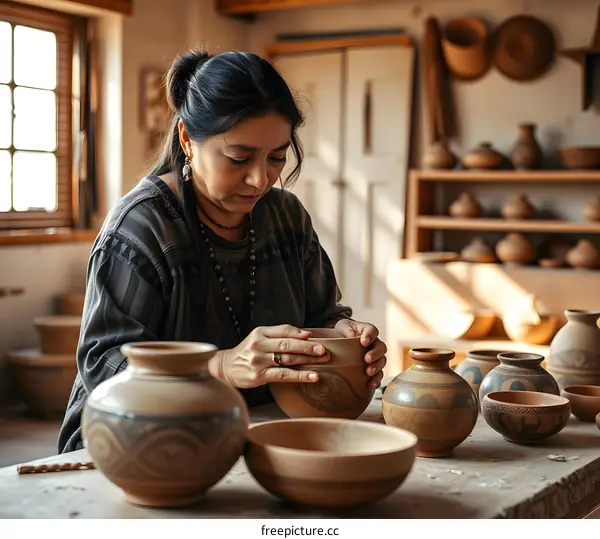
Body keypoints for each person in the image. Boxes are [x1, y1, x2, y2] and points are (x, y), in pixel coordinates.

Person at [58, 49, 388, 453]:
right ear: (187, 140)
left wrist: (346, 336)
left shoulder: (287, 217)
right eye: (238, 157)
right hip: (134, 440)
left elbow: (322, 317)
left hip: (256, 427)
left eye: (277, 157)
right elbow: (103, 367)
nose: (259, 179)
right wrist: (218, 366)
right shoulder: (142, 228)